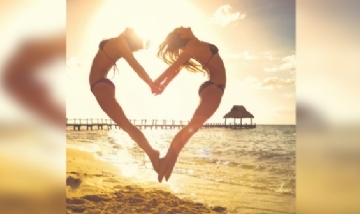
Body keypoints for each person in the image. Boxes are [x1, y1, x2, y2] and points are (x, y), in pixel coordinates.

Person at [154, 27, 226, 182]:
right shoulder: (191, 46)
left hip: (212, 87)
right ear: (182, 34)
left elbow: (177, 70)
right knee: (191, 128)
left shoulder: (193, 44)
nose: (182, 26)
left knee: (191, 128)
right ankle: (166, 162)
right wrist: (158, 82)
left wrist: (163, 85)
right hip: (214, 88)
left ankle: (166, 163)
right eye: (178, 29)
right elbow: (174, 67)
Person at [89, 28, 161, 173]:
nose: (128, 29)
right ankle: (150, 152)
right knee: (124, 124)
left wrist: (150, 83)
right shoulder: (117, 42)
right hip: (100, 85)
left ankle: (152, 153)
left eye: (131, 30)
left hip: (100, 85)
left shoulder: (120, 42)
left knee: (125, 124)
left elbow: (135, 65)